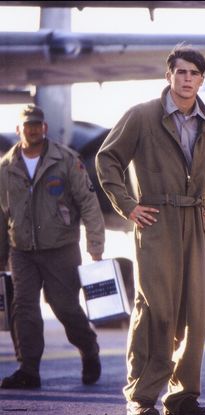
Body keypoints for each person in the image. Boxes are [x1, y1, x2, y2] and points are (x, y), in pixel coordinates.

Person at [96, 44, 205, 415]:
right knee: (155, 310)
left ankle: (182, 396)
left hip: (194, 222)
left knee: (195, 311)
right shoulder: (141, 116)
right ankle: (141, 398)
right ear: (168, 75)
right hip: (154, 221)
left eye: (194, 74)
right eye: (181, 72)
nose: (187, 80)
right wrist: (129, 205)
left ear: (202, 80)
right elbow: (107, 158)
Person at [0, 104, 105, 389]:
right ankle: (28, 369)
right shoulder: (6, 168)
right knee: (24, 307)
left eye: (37, 124)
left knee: (65, 306)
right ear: (18, 130)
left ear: (44, 128)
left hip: (61, 248)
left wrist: (95, 244)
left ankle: (89, 349)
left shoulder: (67, 160)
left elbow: (88, 202)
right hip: (21, 250)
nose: (32, 129)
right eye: (27, 125)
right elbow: (1, 214)